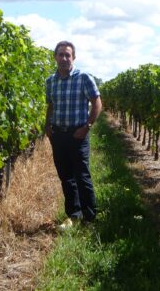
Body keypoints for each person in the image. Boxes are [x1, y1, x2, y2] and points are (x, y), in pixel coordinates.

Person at [45, 40, 102, 229]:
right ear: (55, 57)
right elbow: (50, 105)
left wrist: (87, 127)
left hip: (78, 134)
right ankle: (73, 215)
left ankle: (90, 218)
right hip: (58, 136)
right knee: (65, 176)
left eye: (67, 55)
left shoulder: (83, 77)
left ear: (74, 57)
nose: (64, 58)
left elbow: (97, 103)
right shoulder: (50, 81)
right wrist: (47, 126)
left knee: (82, 176)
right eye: (60, 54)